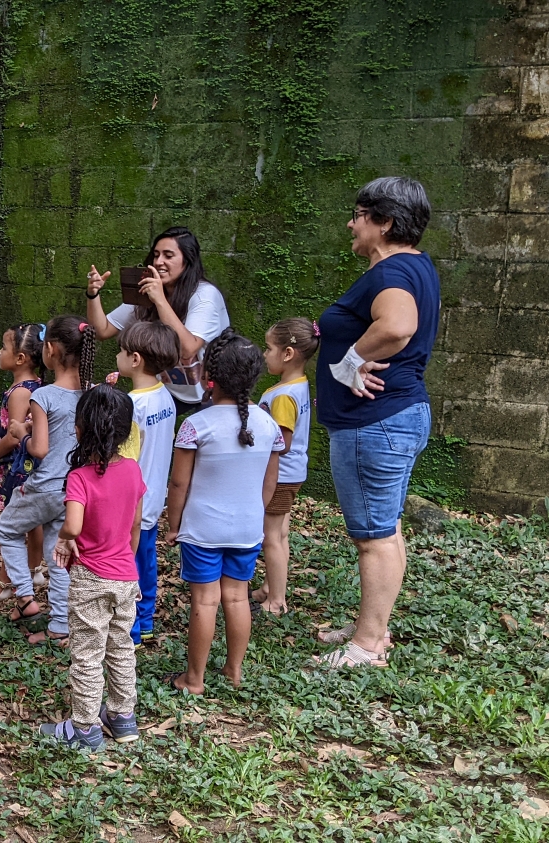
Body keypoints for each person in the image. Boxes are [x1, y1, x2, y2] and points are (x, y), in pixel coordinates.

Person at [314, 176, 441, 668]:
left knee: (374, 537)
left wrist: (350, 360)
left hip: (377, 422)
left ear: (385, 222)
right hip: (394, 417)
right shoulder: (414, 267)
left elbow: (397, 326)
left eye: (359, 214)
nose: (351, 223)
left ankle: (368, 645)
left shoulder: (392, 274)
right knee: (384, 529)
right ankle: (373, 625)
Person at [164, 329, 283, 694]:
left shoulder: (196, 426)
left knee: (205, 599)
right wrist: (251, 513)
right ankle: (234, 671)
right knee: (236, 596)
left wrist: (173, 525)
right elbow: (269, 486)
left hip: (203, 530)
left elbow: (179, 485)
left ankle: (194, 679)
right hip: (247, 530)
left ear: (209, 376)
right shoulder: (269, 426)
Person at [39, 385, 145, 753]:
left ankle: (84, 727)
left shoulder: (81, 478)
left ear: (80, 429)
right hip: (126, 577)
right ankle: (122, 716)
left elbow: (73, 523)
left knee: (87, 653)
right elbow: (135, 525)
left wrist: (67, 539)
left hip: (91, 578)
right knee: (120, 646)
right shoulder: (132, 471)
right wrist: (125, 558)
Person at [0, 315, 97, 646]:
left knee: (6, 530)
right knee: (59, 558)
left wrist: (21, 434)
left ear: (49, 350)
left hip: (44, 486)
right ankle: (59, 628)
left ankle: (24, 599)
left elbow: (39, 449)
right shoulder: (93, 395)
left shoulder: (44, 396)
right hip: (74, 490)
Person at [85, 227, 230, 414]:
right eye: (156, 255)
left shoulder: (204, 296)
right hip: (168, 391)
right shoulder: (148, 292)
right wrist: (93, 294)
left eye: (168, 256)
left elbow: (187, 349)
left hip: (209, 393)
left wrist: (160, 300)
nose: (159, 262)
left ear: (188, 261)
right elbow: (102, 330)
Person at [114, 321, 180, 646]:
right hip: (154, 498)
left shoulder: (133, 405)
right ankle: (147, 618)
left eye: (121, 351)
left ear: (135, 359)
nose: (118, 355)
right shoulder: (165, 396)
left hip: (132, 502)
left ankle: (133, 631)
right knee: (146, 560)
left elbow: (125, 458)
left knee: (129, 564)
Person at [250, 317, 319, 616]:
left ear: (287, 354)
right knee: (280, 533)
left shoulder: (283, 397)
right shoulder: (297, 386)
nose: (265, 354)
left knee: (272, 537)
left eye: (268, 348)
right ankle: (270, 587)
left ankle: (276, 600)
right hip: (291, 474)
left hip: (280, 476)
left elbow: (282, 443)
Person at [0, 324, 46, 601]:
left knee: (11, 525)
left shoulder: (20, 392)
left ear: (20, 359)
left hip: (17, 468)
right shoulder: (36, 386)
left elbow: (15, 437)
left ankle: (4, 582)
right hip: (30, 468)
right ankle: (34, 568)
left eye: (4, 348)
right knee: (33, 520)